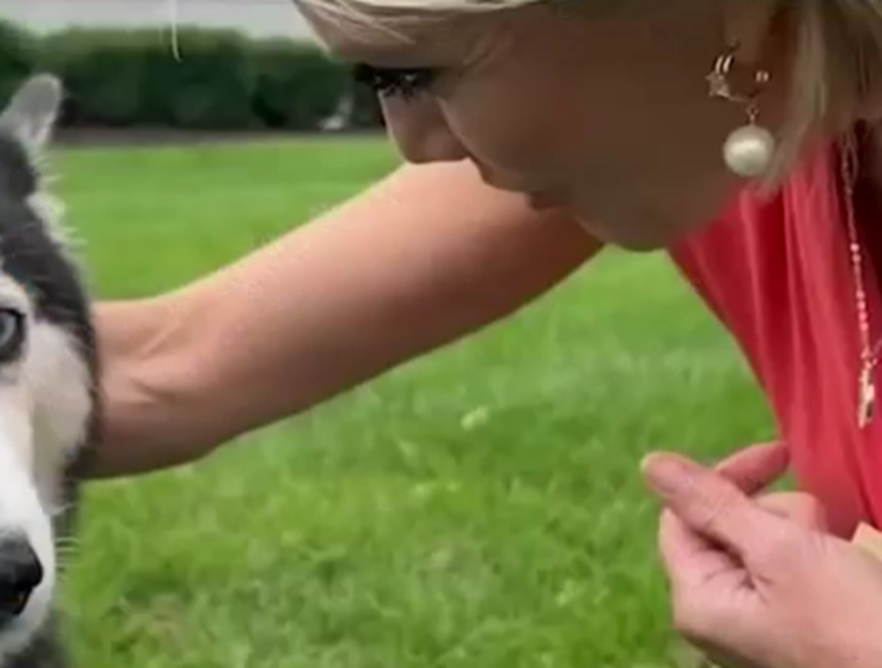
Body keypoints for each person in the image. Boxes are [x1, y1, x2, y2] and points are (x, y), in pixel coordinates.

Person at [87, 1, 882, 665]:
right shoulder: (708, 105)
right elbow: (170, 371)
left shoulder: (678, 102)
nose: (417, 147)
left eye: (411, 73)